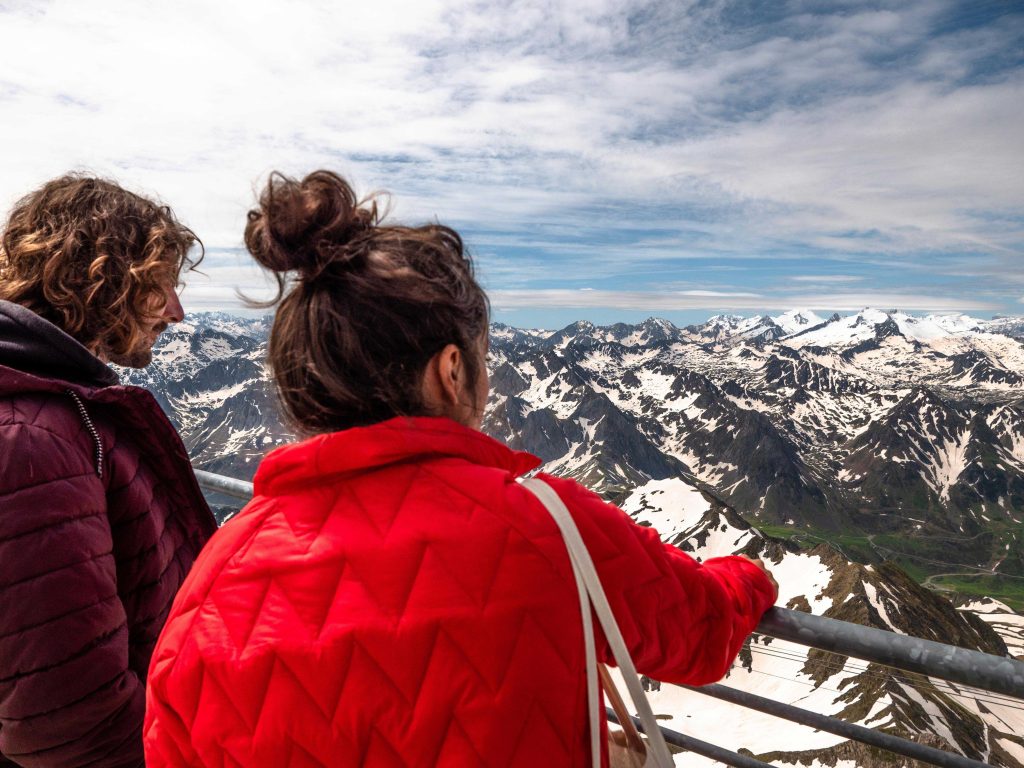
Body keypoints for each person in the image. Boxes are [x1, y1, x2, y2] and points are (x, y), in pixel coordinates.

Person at [144, 170, 778, 766]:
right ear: (449, 371)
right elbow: (700, 633)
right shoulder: (548, 524)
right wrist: (749, 574)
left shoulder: (209, 585)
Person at [0, 175, 218, 767]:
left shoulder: (59, 412)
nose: (177, 310)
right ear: (101, 279)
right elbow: (67, 724)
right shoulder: (34, 438)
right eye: (162, 285)